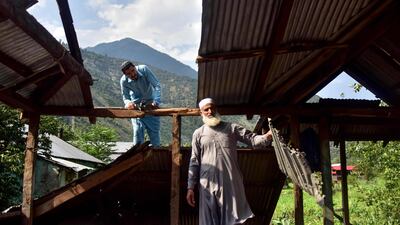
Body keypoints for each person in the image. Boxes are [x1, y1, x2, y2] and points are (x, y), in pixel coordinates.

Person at [186, 98, 273, 225]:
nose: (210, 111)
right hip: (207, 183)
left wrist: (269, 135)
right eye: (206, 110)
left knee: (233, 219)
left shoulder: (232, 128)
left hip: (230, 182)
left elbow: (254, 140)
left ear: (216, 109)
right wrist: (190, 187)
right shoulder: (198, 134)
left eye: (212, 108)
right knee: (209, 220)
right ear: (201, 113)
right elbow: (194, 161)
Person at [120, 61, 161, 146]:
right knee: (137, 131)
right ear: (125, 75)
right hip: (136, 108)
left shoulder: (144, 69)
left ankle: (156, 156)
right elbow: (126, 97)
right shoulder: (123, 81)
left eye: (133, 70)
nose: (132, 74)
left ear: (135, 67)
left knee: (155, 137)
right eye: (128, 74)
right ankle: (138, 156)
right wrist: (128, 104)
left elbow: (156, 85)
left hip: (151, 106)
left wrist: (156, 101)